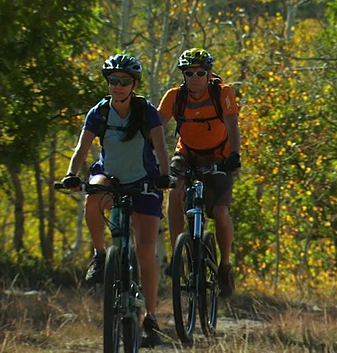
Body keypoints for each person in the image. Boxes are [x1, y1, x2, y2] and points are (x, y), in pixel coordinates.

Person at [61, 54, 169, 347]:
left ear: (134, 84)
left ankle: (150, 316)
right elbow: (82, 146)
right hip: (110, 176)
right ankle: (99, 255)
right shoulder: (100, 111)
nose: (117, 86)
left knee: (146, 250)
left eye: (123, 82)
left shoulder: (145, 111)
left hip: (144, 180)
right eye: (113, 81)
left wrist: (165, 175)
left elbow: (160, 145)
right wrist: (71, 174)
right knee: (92, 197)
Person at [157, 48, 241, 298]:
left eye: (200, 73)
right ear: (183, 75)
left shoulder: (222, 93)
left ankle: (225, 266)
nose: (194, 78)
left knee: (219, 212)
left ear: (209, 74)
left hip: (219, 155)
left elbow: (232, 125)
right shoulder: (174, 96)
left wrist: (234, 156)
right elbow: (156, 126)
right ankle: (177, 256)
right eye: (189, 73)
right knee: (174, 195)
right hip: (187, 153)